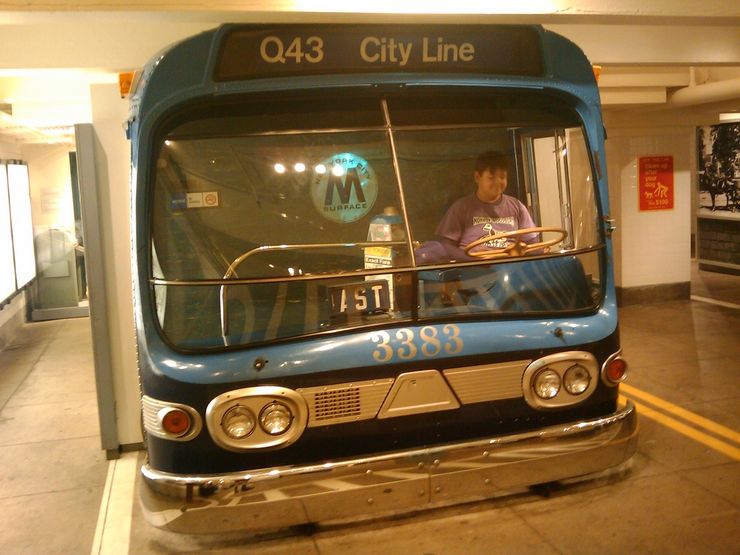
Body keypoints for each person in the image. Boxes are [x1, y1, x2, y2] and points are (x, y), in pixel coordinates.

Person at [417, 151, 537, 263]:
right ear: (477, 177)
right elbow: (446, 246)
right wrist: (472, 260)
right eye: (491, 177)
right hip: (474, 272)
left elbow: (533, 243)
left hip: (510, 268)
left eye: (502, 177)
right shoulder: (461, 208)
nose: (497, 182)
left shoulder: (517, 206)